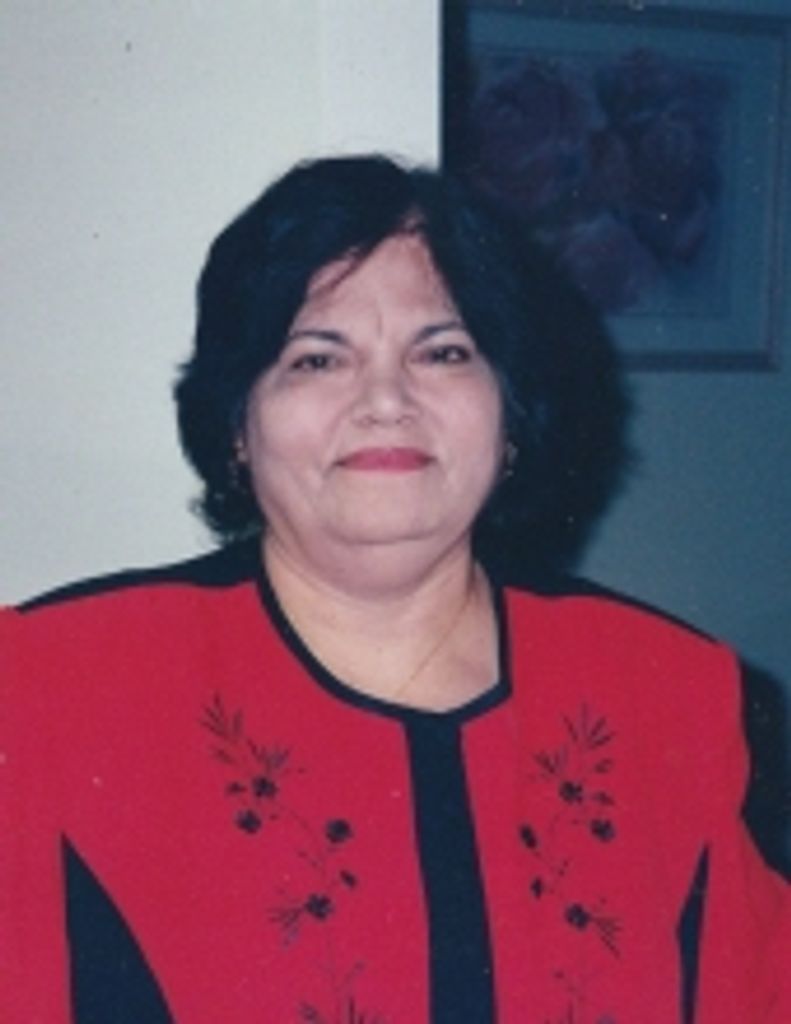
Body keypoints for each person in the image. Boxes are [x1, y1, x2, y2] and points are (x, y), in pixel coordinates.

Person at [1, 155, 788, 1024]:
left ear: (508, 411)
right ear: (236, 425)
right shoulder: (56, 685)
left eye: (442, 352)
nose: (385, 400)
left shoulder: (670, 689)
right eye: (315, 359)